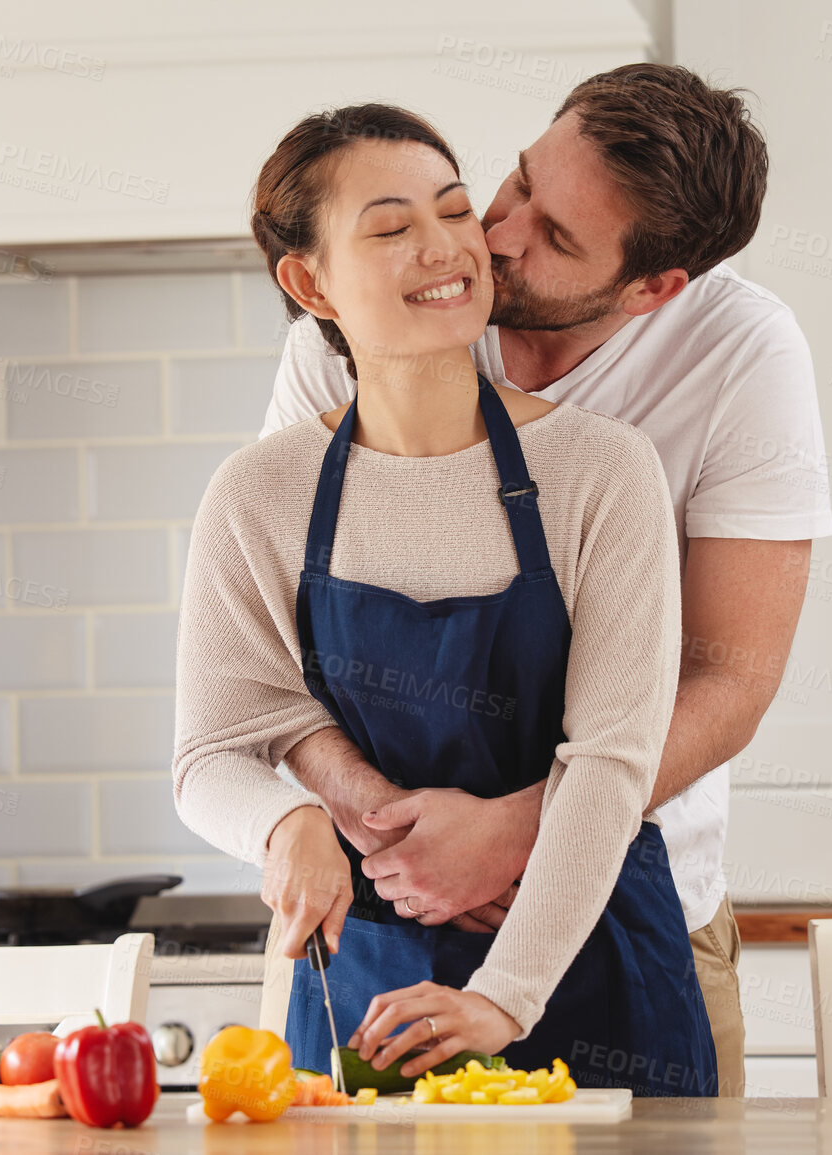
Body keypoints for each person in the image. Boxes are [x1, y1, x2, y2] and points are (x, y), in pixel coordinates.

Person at [256, 63, 832, 1096]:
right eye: (518, 183)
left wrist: (519, 834)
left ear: (655, 288)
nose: (498, 234)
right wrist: (386, 830)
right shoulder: (348, 335)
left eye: (559, 236)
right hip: (381, 916)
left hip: (635, 912)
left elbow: (730, 677)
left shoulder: (738, 353)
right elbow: (274, 662)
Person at [173, 102, 715, 1095]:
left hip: (595, 969)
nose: (447, 246)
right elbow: (214, 751)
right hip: (369, 987)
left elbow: (611, 763)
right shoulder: (261, 491)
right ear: (309, 281)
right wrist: (288, 825)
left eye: (457, 209)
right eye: (390, 228)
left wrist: (505, 997)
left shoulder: (604, 472)